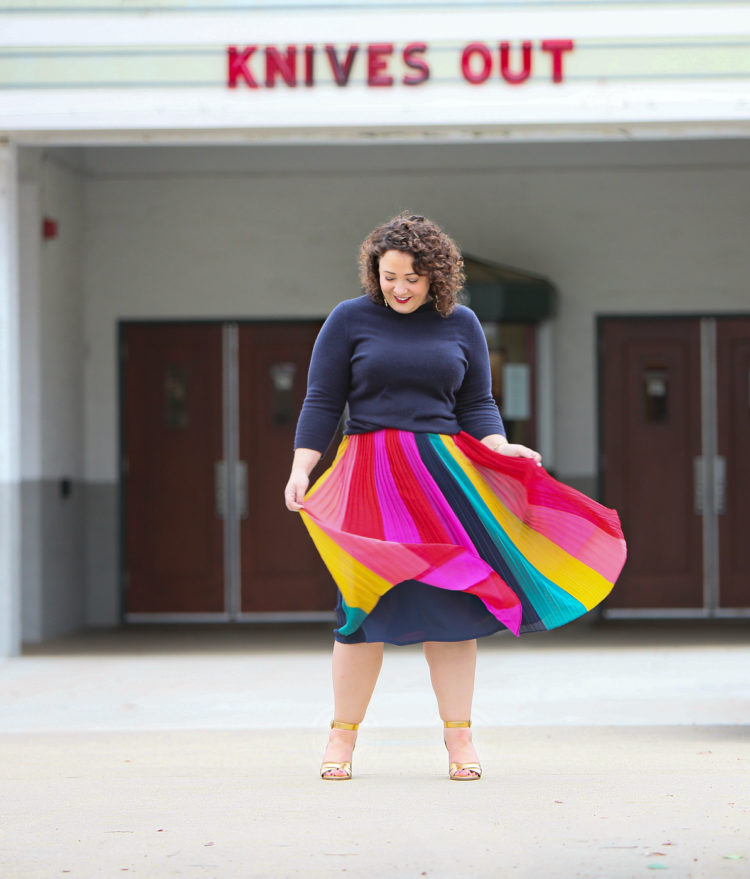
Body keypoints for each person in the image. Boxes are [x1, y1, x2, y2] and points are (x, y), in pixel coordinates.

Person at [284, 212, 625, 781]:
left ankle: (460, 744)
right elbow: (323, 400)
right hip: (370, 473)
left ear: (436, 275)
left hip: (444, 479)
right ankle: (340, 742)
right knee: (361, 608)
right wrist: (302, 469)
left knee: (455, 608)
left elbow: (476, 404)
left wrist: (499, 445)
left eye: (412, 278)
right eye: (389, 276)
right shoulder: (349, 319)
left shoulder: (460, 323)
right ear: (375, 271)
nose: (399, 288)